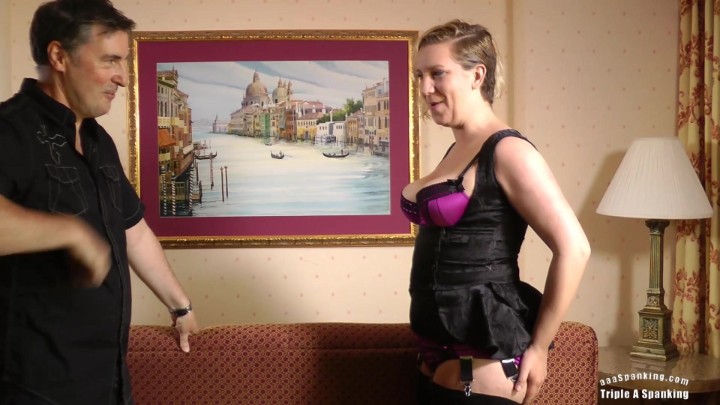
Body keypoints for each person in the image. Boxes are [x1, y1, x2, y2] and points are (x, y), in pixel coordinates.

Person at [0, 1, 198, 403]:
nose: (122, 78)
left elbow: (133, 231)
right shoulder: (9, 129)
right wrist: (70, 232)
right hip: (33, 387)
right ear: (59, 57)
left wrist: (181, 307)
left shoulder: (97, 139)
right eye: (110, 60)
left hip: (107, 382)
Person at [403, 20, 590, 404]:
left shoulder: (509, 151)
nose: (424, 88)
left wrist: (540, 348)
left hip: (486, 364)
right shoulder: (457, 150)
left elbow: (575, 248)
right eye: (420, 76)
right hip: (434, 355)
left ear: (477, 75)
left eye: (437, 73)